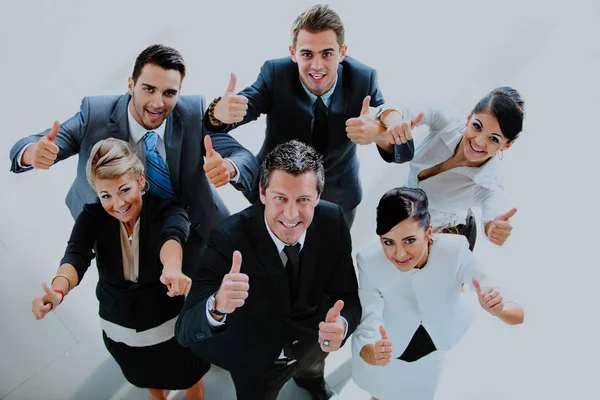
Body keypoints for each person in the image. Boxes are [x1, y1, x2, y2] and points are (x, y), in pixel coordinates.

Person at [9, 44, 257, 274]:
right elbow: (35, 143)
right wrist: (32, 154)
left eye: (169, 93)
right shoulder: (95, 114)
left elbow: (243, 157)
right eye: (148, 89)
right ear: (130, 84)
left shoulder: (192, 114)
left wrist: (229, 167)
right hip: (122, 237)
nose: (157, 103)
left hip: (195, 232)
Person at [175, 140, 361, 400]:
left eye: (304, 199)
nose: (291, 214)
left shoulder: (333, 221)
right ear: (262, 192)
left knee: (312, 371)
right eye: (280, 198)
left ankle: (311, 382)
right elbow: (184, 330)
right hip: (258, 363)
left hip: (312, 343)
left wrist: (342, 324)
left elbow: (348, 296)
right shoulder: (228, 238)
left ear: (318, 196)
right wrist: (217, 305)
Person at [31, 139, 209, 400]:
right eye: (106, 195)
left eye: (124, 190)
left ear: (140, 179)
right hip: (120, 333)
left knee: (190, 380)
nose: (118, 204)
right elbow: (75, 256)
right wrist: (58, 291)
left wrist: (172, 268)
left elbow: (172, 237)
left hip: (170, 331)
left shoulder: (166, 209)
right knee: (147, 381)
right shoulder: (92, 217)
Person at [204, 4, 395, 227]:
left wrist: (379, 134)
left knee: (327, 260)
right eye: (307, 54)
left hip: (338, 198)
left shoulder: (364, 78)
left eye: (327, 54)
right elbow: (233, 113)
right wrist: (220, 112)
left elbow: (402, 148)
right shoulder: (276, 74)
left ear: (342, 53)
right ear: (293, 53)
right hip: (277, 195)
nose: (316, 65)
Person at [351, 187, 524, 399]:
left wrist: (499, 309)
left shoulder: (455, 249)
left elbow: (516, 314)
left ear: (429, 232)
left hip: (434, 348)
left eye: (410, 240)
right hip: (388, 348)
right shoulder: (368, 261)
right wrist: (371, 354)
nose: (399, 254)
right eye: (388, 242)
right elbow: (368, 321)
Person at [373, 87, 526, 250]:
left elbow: (494, 213)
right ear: (469, 118)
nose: (479, 141)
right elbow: (399, 108)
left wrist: (495, 228)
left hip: (449, 235)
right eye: (477, 126)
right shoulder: (446, 122)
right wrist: (393, 122)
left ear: (507, 145)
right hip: (407, 220)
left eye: (494, 139)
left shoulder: (490, 183)